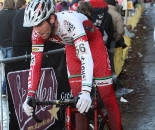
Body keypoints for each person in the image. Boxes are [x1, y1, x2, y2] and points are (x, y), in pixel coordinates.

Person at [22, 0, 122, 130]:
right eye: (33, 25)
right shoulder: (37, 32)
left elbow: (85, 57)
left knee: (106, 96)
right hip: (72, 48)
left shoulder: (70, 22)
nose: (37, 30)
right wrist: (30, 95)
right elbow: (35, 64)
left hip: (93, 46)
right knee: (77, 101)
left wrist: (86, 91)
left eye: (39, 24)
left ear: (51, 18)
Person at [0, 0, 16, 97]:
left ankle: (5, 89)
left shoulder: (1, 14)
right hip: (11, 44)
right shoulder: (15, 14)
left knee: (7, 66)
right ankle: (5, 89)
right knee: (10, 67)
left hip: (3, 44)